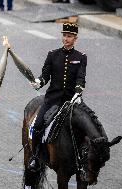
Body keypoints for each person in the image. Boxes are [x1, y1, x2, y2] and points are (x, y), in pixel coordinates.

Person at [28, 23, 87, 172]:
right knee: (38, 125)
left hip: (71, 100)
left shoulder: (81, 57)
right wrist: (38, 82)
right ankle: (35, 156)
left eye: (69, 36)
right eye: (64, 36)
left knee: (87, 126)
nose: (66, 39)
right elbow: (45, 76)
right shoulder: (52, 54)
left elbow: (81, 78)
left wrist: (78, 93)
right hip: (52, 100)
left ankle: (84, 159)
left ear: (75, 38)